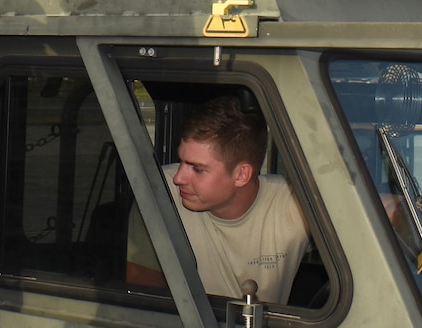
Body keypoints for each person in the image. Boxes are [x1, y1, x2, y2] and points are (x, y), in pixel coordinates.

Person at [127, 95, 311, 306]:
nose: (178, 178)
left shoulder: (294, 205)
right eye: (181, 161)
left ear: (241, 175)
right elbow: (142, 299)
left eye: (197, 168)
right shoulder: (160, 191)